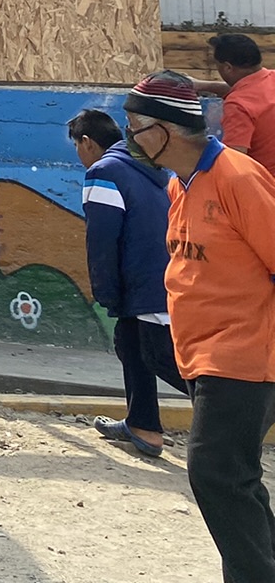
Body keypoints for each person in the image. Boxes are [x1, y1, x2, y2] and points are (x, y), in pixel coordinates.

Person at [121, 71, 275, 582]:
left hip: (244, 354)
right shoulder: (179, 184)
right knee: (235, 477)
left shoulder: (238, 178)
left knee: (216, 472)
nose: (130, 137)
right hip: (202, 353)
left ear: (164, 129)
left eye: (135, 127)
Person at [71, 107, 183, 459]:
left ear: (87, 142)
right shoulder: (154, 169)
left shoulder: (103, 172)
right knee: (130, 343)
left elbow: (102, 241)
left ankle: (239, 413)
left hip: (143, 283)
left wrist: (106, 292)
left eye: (76, 146)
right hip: (167, 278)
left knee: (162, 358)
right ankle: (143, 426)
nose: (78, 153)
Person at [206, 34, 275, 176]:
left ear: (227, 67)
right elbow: (248, 88)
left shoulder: (237, 105)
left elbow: (235, 163)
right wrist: (201, 85)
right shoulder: (271, 77)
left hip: (265, 184)